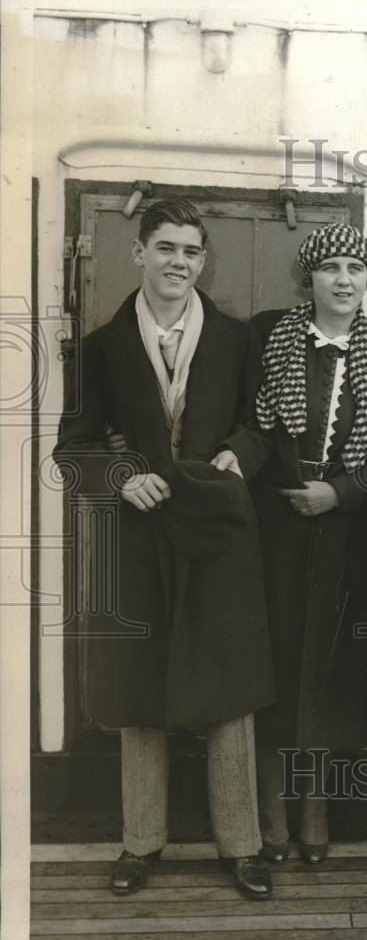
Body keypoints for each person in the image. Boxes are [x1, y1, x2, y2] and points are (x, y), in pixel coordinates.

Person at [53, 198, 275, 899]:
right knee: (139, 689)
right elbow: (73, 449)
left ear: (201, 260)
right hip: (139, 540)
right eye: (166, 248)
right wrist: (122, 478)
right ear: (138, 253)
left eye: (191, 251)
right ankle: (141, 841)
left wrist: (241, 454)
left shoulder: (238, 341)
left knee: (230, 690)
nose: (179, 261)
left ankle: (242, 847)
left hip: (217, 539)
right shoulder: (99, 348)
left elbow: (262, 424)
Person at [249, 222, 367, 865]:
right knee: (274, 665)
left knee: (327, 674)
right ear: (308, 279)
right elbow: (249, 423)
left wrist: (342, 494)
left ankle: (315, 811)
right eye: (330, 269)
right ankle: (268, 818)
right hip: (275, 530)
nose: (343, 280)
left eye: (355, 269)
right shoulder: (270, 336)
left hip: (348, 534)